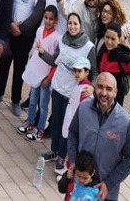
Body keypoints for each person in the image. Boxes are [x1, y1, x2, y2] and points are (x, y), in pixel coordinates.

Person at [38, 13, 95, 176]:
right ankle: (54, 151)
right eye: (70, 23)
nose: (72, 26)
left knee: (67, 127)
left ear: (80, 25)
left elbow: (94, 72)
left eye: (75, 23)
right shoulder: (63, 40)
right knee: (55, 123)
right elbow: (54, 60)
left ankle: (63, 157)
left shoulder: (88, 47)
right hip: (57, 89)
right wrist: (42, 53)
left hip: (73, 94)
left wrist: (91, 87)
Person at [68, 73, 130, 201]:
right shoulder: (83, 108)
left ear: (115, 92)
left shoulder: (125, 122)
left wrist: (109, 183)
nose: (103, 93)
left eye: (109, 89)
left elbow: (129, 159)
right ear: (94, 88)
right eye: (100, 87)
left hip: (106, 193)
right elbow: (72, 133)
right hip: (81, 186)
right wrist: (73, 161)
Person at [18, 5, 59, 141]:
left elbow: (55, 61)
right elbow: (34, 49)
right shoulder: (40, 30)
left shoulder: (57, 38)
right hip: (35, 71)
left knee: (43, 105)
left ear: (55, 20)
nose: (48, 21)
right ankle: (30, 122)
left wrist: (49, 77)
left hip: (45, 76)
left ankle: (40, 130)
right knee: (33, 100)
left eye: (51, 19)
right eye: (46, 18)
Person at [96, 23, 130, 106]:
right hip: (100, 97)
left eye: (113, 39)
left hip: (114, 103)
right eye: (107, 37)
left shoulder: (121, 57)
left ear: (119, 40)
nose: (109, 42)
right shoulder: (103, 50)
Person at [61, 57, 93, 147]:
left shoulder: (85, 90)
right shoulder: (78, 85)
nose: (76, 74)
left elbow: (85, 111)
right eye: (75, 71)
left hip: (76, 126)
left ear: (87, 72)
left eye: (79, 71)